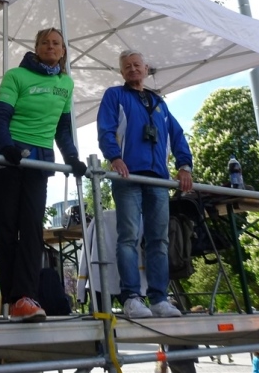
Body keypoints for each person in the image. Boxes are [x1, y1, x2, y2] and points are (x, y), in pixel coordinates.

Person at [0, 27, 87, 322]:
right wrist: (7, 146)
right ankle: (13, 298)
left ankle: (25, 297)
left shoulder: (66, 83)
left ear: (63, 51)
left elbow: (62, 128)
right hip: (6, 158)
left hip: (39, 161)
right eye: (45, 42)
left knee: (32, 229)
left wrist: (72, 157)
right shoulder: (16, 76)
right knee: (7, 229)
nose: (50, 47)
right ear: (37, 47)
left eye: (56, 43)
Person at [97, 49, 193, 319]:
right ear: (121, 72)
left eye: (137, 64)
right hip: (128, 176)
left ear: (146, 68)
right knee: (128, 236)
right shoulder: (115, 95)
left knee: (159, 239)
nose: (133, 69)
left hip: (158, 178)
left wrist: (184, 166)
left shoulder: (159, 102)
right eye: (127, 66)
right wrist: (114, 157)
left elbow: (177, 134)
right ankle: (131, 297)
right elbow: (105, 129)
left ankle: (159, 298)